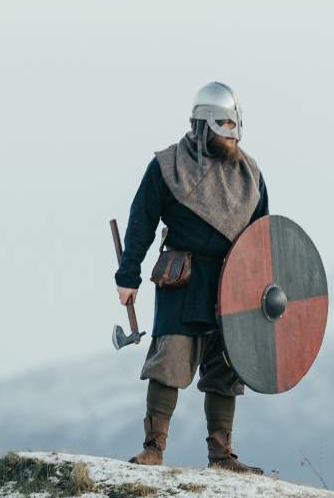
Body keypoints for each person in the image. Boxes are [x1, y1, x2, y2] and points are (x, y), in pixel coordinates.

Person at [114, 81, 267, 472]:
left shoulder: (250, 176)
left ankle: (221, 454)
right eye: (224, 124)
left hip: (231, 284)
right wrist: (128, 275)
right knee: (169, 362)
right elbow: (142, 219)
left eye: (234, 124)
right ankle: (153, 448)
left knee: (227, 366)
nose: (231, 133)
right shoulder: (169, 166)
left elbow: (262, 238)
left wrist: (262, 292)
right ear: (203, 124)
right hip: (182, 278)